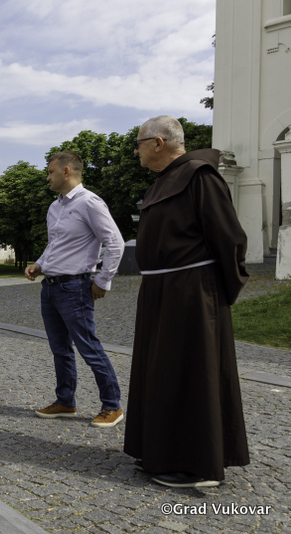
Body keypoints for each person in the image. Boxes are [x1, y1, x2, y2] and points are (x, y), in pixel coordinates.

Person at [124, 116, 250, 488]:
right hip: (161, 290)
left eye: (139, 143)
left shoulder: (199, 177)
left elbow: (229, 237)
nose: (136, 150)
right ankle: (161, 451)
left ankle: (197, 464)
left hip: (191, 293)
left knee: (190, 374)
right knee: (162, 373)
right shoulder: (164, 180)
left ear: (158, 143)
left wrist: (213, 292)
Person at [24, 151, 125, 428]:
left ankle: (112, 405)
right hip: (51, 287)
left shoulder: (89, 202)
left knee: (88, 347)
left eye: (50, 172)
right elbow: (55, 245)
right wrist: (40, 264)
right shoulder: (54, 207)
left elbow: (115, 243)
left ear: (66, 171)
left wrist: (103, 281)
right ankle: (65, 401)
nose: (47, 177)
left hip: (75, 288)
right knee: (60, 349)